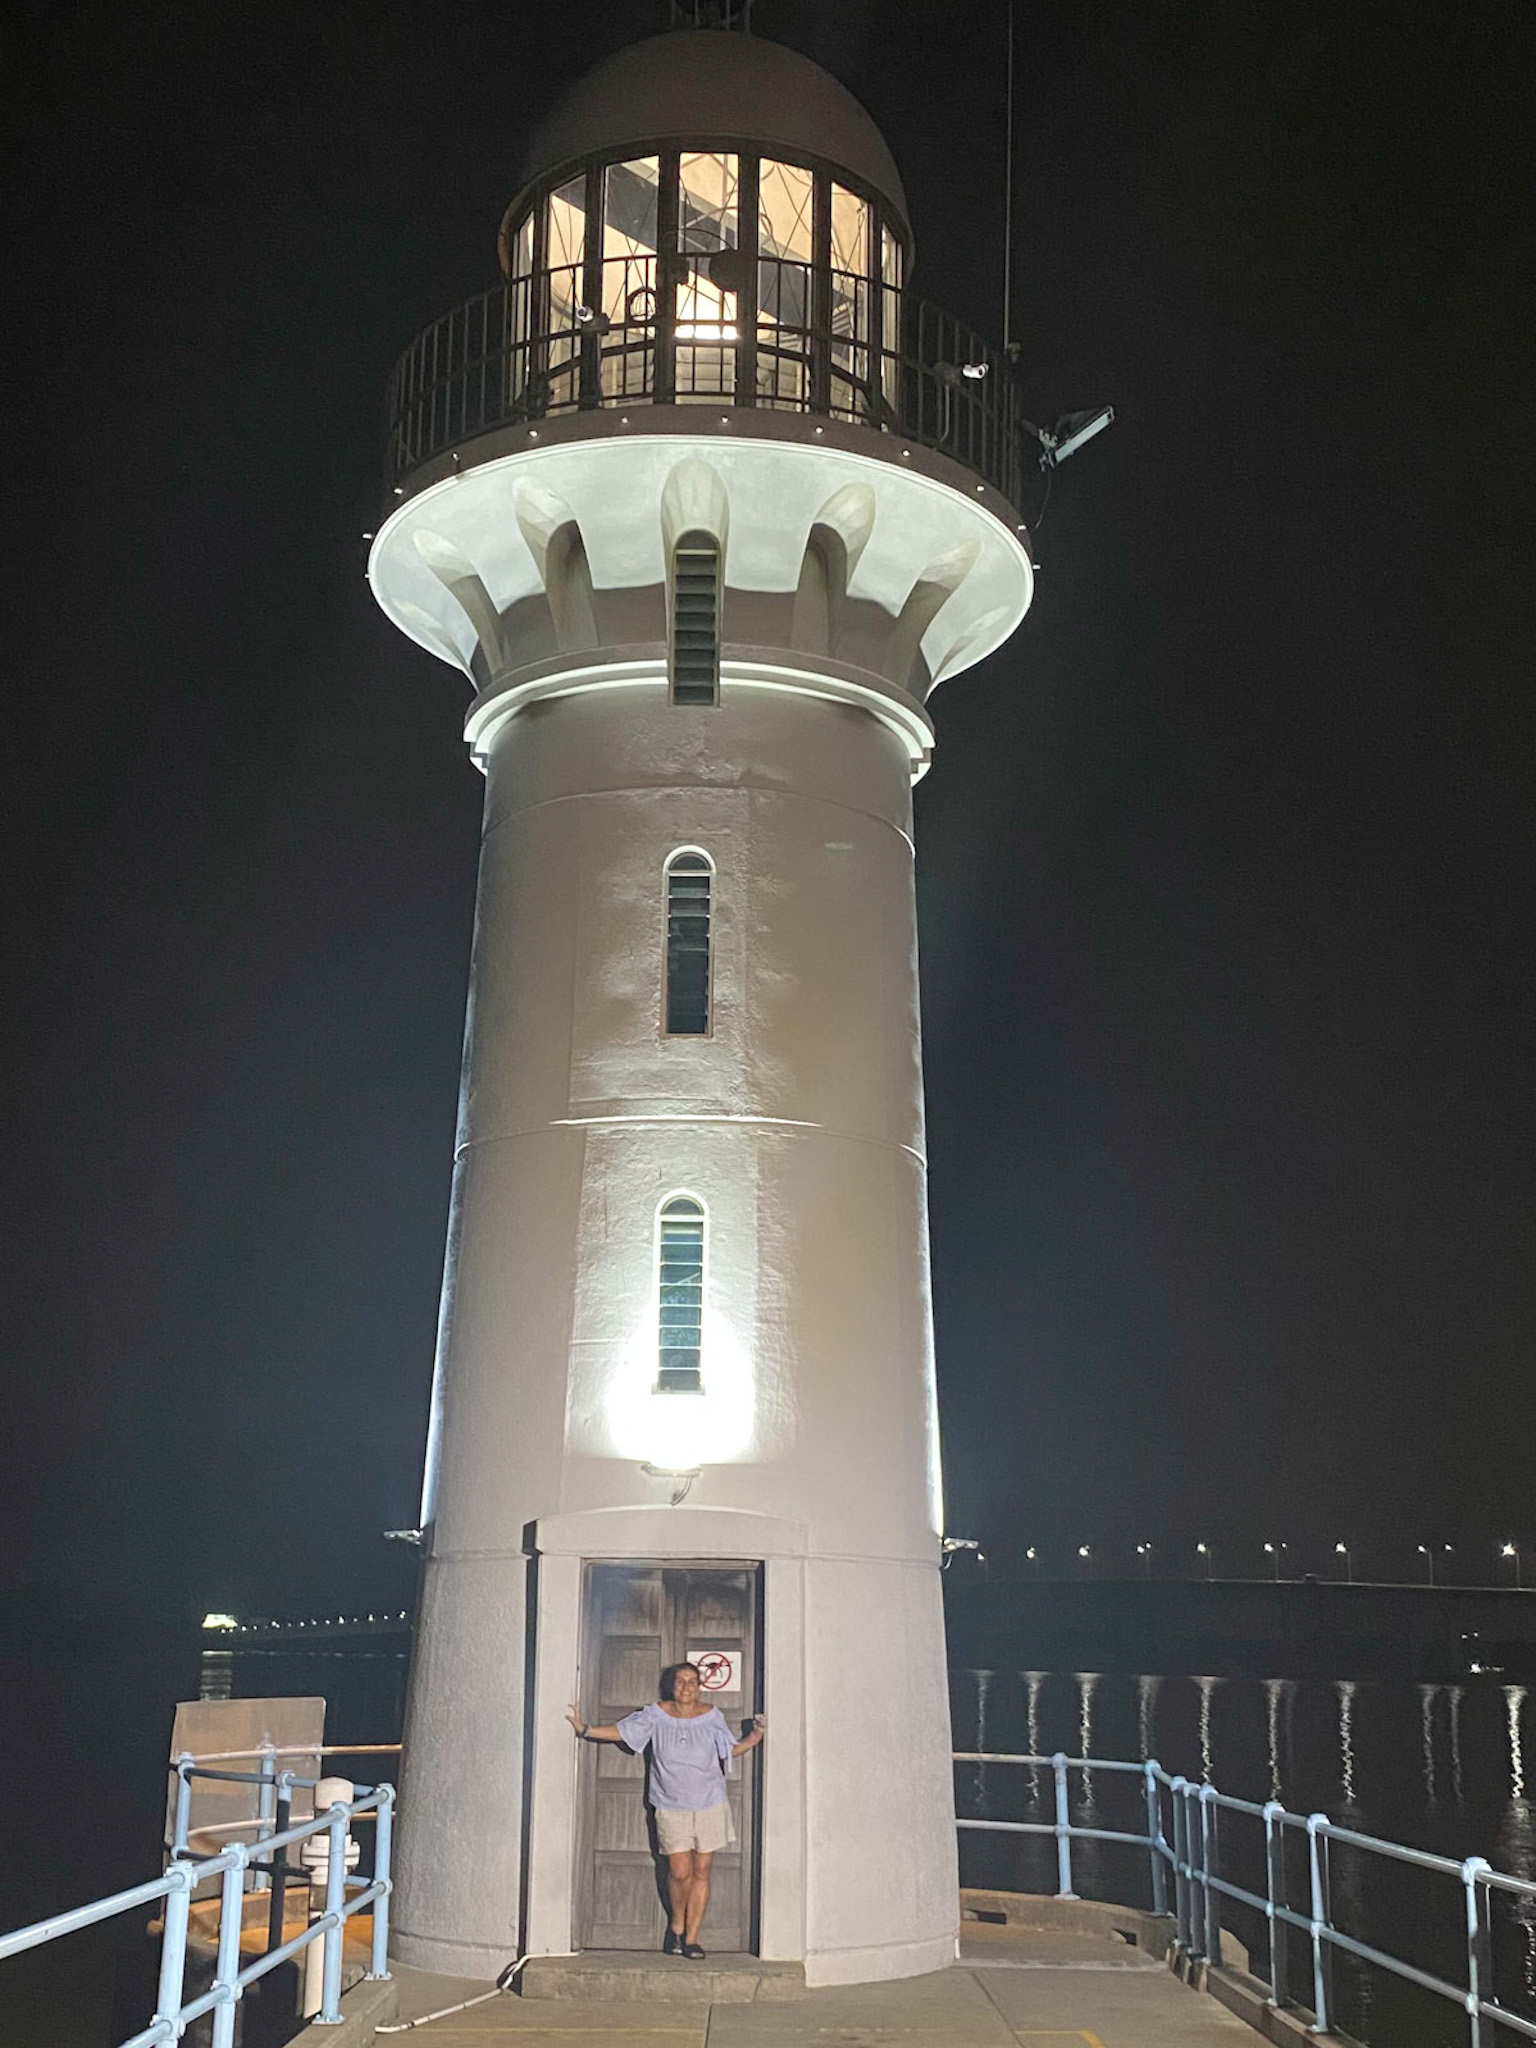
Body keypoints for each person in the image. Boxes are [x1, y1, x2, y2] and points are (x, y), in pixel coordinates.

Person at [567, 1662, 766, 1959]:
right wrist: (585, 1729)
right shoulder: (656, 1714)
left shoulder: (712, 1716)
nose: (685, 1687)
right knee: (679, 1872)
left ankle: (692, 1939)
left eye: (691, 1681)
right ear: (672, 1686)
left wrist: (754, 1737)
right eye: (679, 1681)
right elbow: (622, 1732)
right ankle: (676, 1924)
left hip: (710, 1803)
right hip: (671, 1805)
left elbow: (728, 1749)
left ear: (699, 1686)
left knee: (702, 1870)